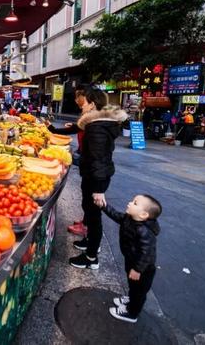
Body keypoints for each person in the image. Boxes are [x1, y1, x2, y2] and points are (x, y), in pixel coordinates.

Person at [68, 89, 128, 270]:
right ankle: (89, 242)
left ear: (92, 104)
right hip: (94, 175)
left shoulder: (96, 127)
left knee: (94, 217)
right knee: (89, 210)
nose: (81, 105)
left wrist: (99, 189)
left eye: (84, 102)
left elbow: (99, 158)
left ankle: (91, 257)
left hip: (97, 177)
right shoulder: (100, 124)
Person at [94, 194, 162, 323]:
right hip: (132, 261)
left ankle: (132, 313)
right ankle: (131, 299)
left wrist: (137, 270)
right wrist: (104, 206)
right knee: (133, 286)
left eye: (135, 203)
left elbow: (146, 254)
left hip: (143, 269)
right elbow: (115, 215)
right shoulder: (130, 218)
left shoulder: (144, 231)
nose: (130, 203)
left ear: (143, 215)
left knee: (139, 292)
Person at [46, 85, 90, 236]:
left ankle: (88, 228)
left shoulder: (93, 119)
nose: (77, 100)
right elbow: (77, 128)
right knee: (86, 195)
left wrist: (53, 129)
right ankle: (86, 222)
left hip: (92, 164)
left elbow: (77, 130)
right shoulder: (89, 117)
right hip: (87, 159)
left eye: (79, 97)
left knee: (90, 198)